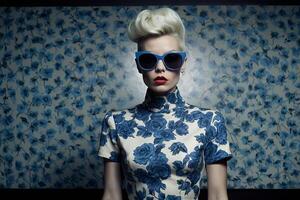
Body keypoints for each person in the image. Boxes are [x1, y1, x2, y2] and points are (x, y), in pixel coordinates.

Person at [98, 7, 233, 200]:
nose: (160, 68)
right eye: (148, 60)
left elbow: (219, 195)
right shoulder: (116, 122)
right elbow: (111, 195)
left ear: (184, 63)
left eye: (171, 59)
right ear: (137, 64)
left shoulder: (210, 121)